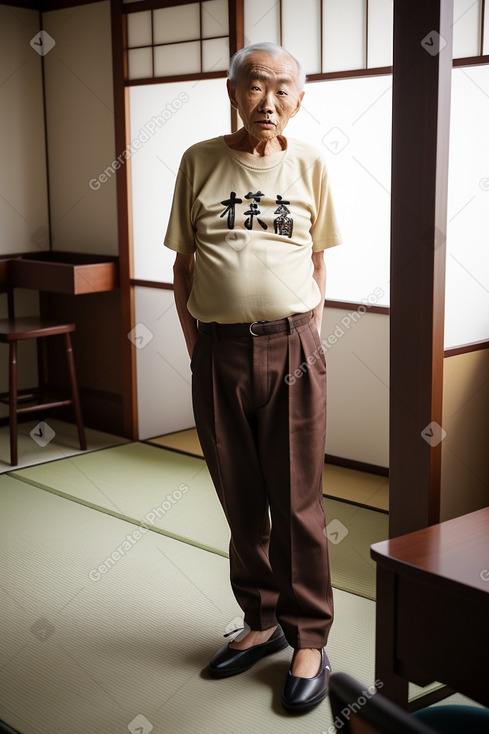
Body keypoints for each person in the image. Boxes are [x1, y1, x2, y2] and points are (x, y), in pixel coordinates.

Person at [165, 41, 341, 712]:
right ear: (231, 90)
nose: (269, 100)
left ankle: (308, 638)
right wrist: (199, 349)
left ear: (298, 99)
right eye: (255, 85)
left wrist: (306, 341)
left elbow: (317, 263)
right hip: (217, 350)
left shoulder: (311, 164)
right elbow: (183, 270)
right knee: (240, 497)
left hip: (293, 347)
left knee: (296, 502)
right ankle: (261, 622)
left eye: (283, 89)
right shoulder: (199, 161)